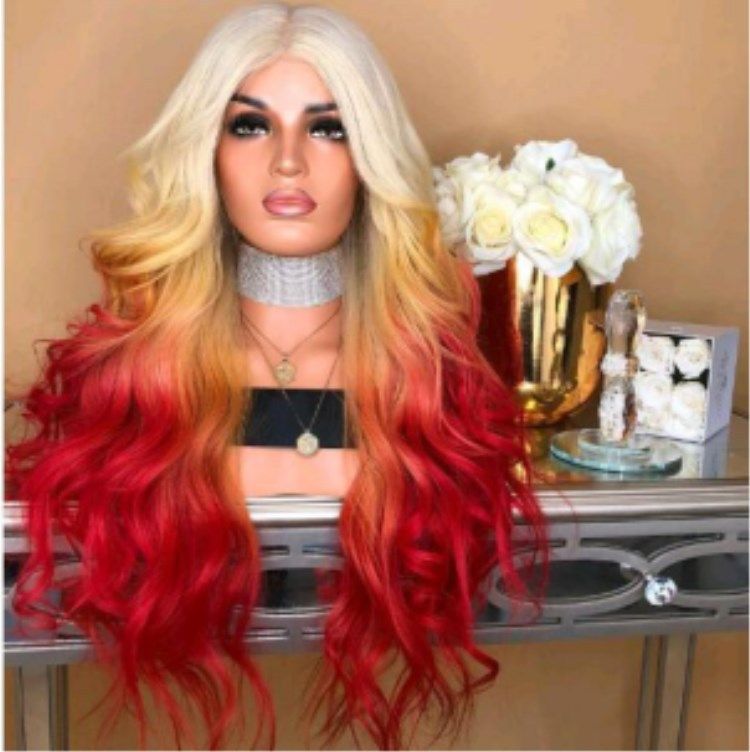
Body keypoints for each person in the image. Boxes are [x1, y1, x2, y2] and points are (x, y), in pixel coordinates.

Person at [6, 2, 550, 749]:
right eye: (250, 125)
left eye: (328, 128)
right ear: (205, 150)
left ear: (371, 157)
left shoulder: (427, 387)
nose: (288, 161)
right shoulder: (137, 383)